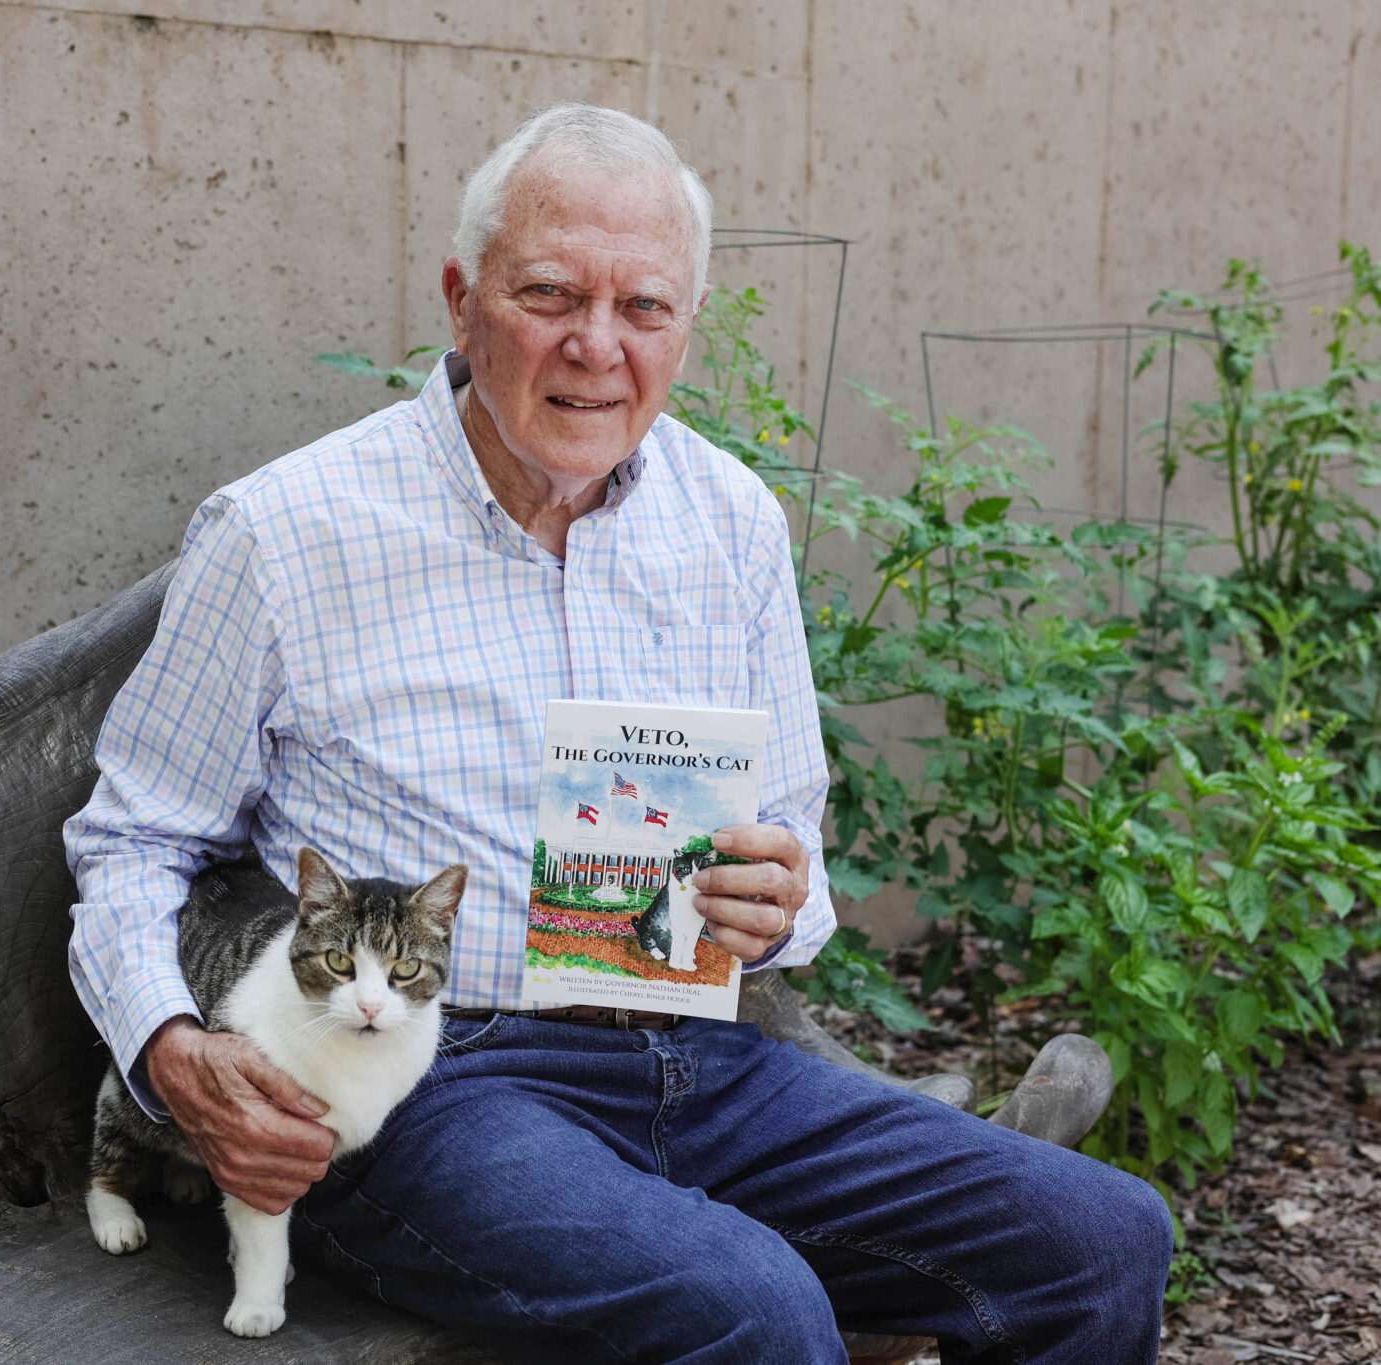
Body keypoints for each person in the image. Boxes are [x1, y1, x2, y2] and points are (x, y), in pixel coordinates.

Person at [65, 102, 1172, 1363]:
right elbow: (131, 840)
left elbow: (791, 842)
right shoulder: (287, 532)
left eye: (643, 308)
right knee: (749, 1308)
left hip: (703, 1055)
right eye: (548, 294)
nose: (597, 347)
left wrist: (776, 903)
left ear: (684, 329)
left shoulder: (728, 522)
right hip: (427, 1083)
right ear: (461, 298)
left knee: (1101, 1242)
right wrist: (172, 1055)